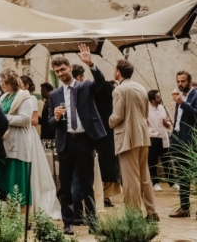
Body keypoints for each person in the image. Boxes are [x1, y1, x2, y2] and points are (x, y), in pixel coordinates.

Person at [46, 45, 107, 236]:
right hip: (65, 142)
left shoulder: (85, 87)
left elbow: (101, 82)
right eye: (57, 72)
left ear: (69, 68)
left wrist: (90, 63)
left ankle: (92, 221)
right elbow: (49, 123)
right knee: (65, 185)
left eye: (63, 69)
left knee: (87, 183)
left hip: (84, 140)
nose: (61, 73)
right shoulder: (54, 95)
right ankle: (68, 222)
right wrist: (55, 117)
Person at [108, 59, 157, 220]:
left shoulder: (119, 90)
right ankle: (151, 211)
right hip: (143, 135)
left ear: (118, 72)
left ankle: (133, 214)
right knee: (144, 176)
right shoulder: (141, 87)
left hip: (127, 138)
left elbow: (117, 116)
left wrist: (108, 121)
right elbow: (145, 114)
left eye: (114, 69)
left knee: (130, 179)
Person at [71, 65, 121, 210]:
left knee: (93, 170)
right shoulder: (94, 89)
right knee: (95, 170)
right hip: (100, 134)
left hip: (96, 134)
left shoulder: (89, 89)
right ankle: (101, 198)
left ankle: (98, 198)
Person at [21, 76, 62, 219]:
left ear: (25, 85)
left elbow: (33, 120)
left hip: (29, 134)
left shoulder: (31, 99)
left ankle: (36, 200)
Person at [0, 69, 33, 206]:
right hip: (5, 142)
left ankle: (22, 213)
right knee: (7, 179)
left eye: (4, 81)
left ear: (12, 81)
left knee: (17, 178)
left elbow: (25, 119)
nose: (2, 84)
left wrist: (2, 118)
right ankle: (11, 212)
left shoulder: (24, 97)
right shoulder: (4, 97)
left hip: (19, 142)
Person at [169, 70, 197, 218]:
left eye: (183, 81)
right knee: (182, 176)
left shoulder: (195, 95)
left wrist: (182, 103)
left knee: (195, 175)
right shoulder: (180, 96)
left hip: (192, 143)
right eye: (178, 81)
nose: (180, 84)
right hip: (179, 141)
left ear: (190, 81)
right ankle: (184, 207)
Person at [147, 90, 172, 192]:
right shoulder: (147, 110)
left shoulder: (163, 108)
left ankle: (172, 182)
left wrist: (167, 123)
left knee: (167, 161)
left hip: (163, 137)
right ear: (152, 100)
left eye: (160, 97)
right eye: (158, 97)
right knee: (153, 162)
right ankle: (155, 182)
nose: (160, 98)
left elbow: (170, 122)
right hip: (152, 138)